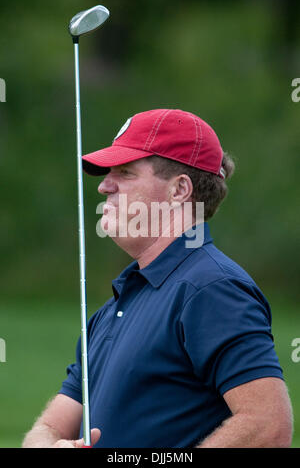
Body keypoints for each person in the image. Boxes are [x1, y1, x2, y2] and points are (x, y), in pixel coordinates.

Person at [22, 109, 293, 448]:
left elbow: (269, 426)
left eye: (125, 172)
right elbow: (47, 428)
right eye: (108, 174)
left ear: (179, 189)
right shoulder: (114, 307)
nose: (105, 186)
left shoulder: (212, 289)